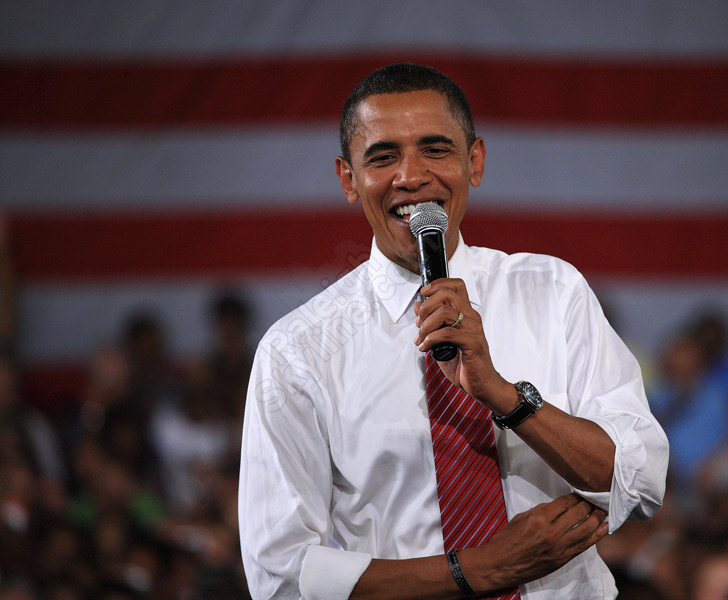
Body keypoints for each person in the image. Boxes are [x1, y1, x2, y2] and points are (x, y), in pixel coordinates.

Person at [239, 63, 668, 599]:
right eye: (383, 156)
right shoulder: (297, 351)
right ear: (349, 179)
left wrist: (504, 396)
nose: (411, 176)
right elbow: (280, 576)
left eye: (436, 149)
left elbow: (641, 481)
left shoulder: (554, 291)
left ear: (476, 162)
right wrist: (478, 570)